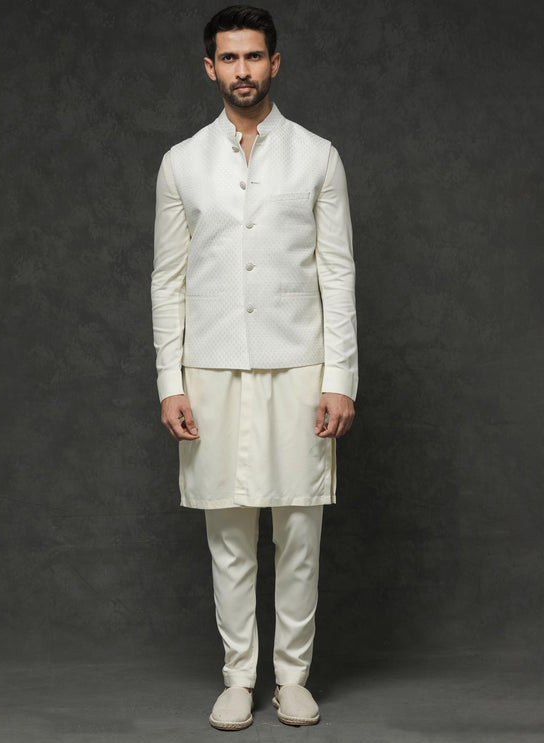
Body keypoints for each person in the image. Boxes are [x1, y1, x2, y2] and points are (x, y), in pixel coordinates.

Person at [151, 4, 358, 730]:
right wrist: (170, 382)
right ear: (210, 67)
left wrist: (339, 378)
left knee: (299, 532)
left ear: (275, 62)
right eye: (230, 58)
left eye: (255, 56)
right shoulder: (181, 162)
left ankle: (292, 677)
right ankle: (238, 677)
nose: (243, 70)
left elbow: (337, 274)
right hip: (210, 371)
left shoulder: (317, 156)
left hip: (299, 368)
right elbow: (167, 281)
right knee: (229, 536)